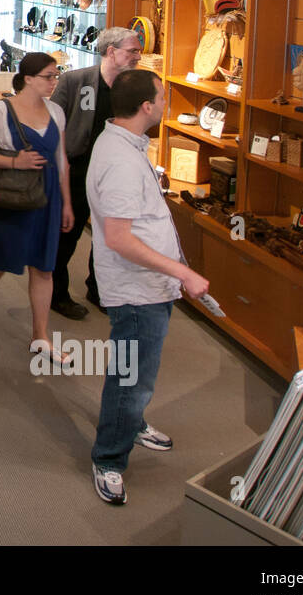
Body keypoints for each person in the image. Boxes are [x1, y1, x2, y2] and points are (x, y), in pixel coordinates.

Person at [87, 69, 210, 505]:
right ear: (146, 106)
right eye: (163, 98)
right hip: (137, 291)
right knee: (130, 378)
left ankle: (131, 422)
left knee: (138, 374)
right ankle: (109, 458)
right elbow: (120, 237)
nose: (166, 105)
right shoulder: (120, 159)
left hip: (149, 286)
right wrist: (183, 273)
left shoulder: (123, 144)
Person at [0, 52, 74, 363]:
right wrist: (15, 160)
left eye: (56, 76)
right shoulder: (1, 111)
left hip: (48, 196)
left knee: (44, 267)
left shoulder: (56, 112)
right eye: (48, 76)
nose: (54, 82)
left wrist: (67, 203)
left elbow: (61, 160)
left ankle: (40, 335)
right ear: (28, 78)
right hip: (13, 196)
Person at [48, 26, 144, 320]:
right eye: (133, 51)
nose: (138, 57)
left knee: (108, 234)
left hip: (114, 173)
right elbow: (52, 124)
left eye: (139, 51)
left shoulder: (133, 88)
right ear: (111, 51)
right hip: (77, 169)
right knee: (68, 233)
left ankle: (98, 288)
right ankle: (56, 293)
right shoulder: (75, 80)